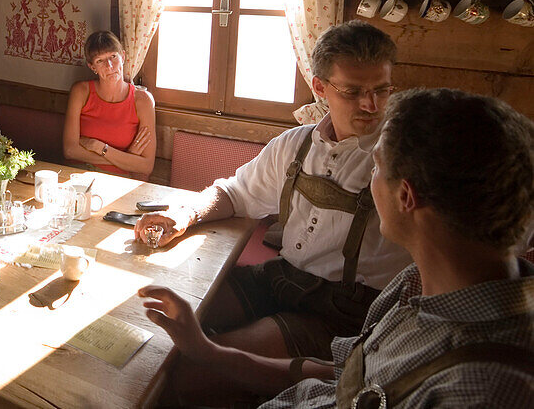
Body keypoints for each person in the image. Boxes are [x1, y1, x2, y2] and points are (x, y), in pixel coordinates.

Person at [140, 88, 534, 408]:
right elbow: (343, 375)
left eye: (376, 167)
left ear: (405, 196)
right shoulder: (415, 284)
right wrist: (209, 351)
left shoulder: (484, 385)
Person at [133, 21, 411, 398]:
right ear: (320, 88)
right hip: (284, 278)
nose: (371, 104)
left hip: (340, 315)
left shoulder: (400, 159)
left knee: (187, 371)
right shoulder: (294, 145)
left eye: (381, 90)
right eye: (353, 91)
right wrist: (186, 214)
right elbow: (234, 193)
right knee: (160, 324)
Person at [63, 31, 155, 179]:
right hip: (78, 175)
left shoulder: (143, 101)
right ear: (92, 67)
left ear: (123, 57)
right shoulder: (80, 91)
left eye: (113, 56)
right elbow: (70, 151)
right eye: (100, 61)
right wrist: (127, 157)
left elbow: (146, 166)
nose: (109, 66)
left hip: (118, 180)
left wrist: (98, 147)